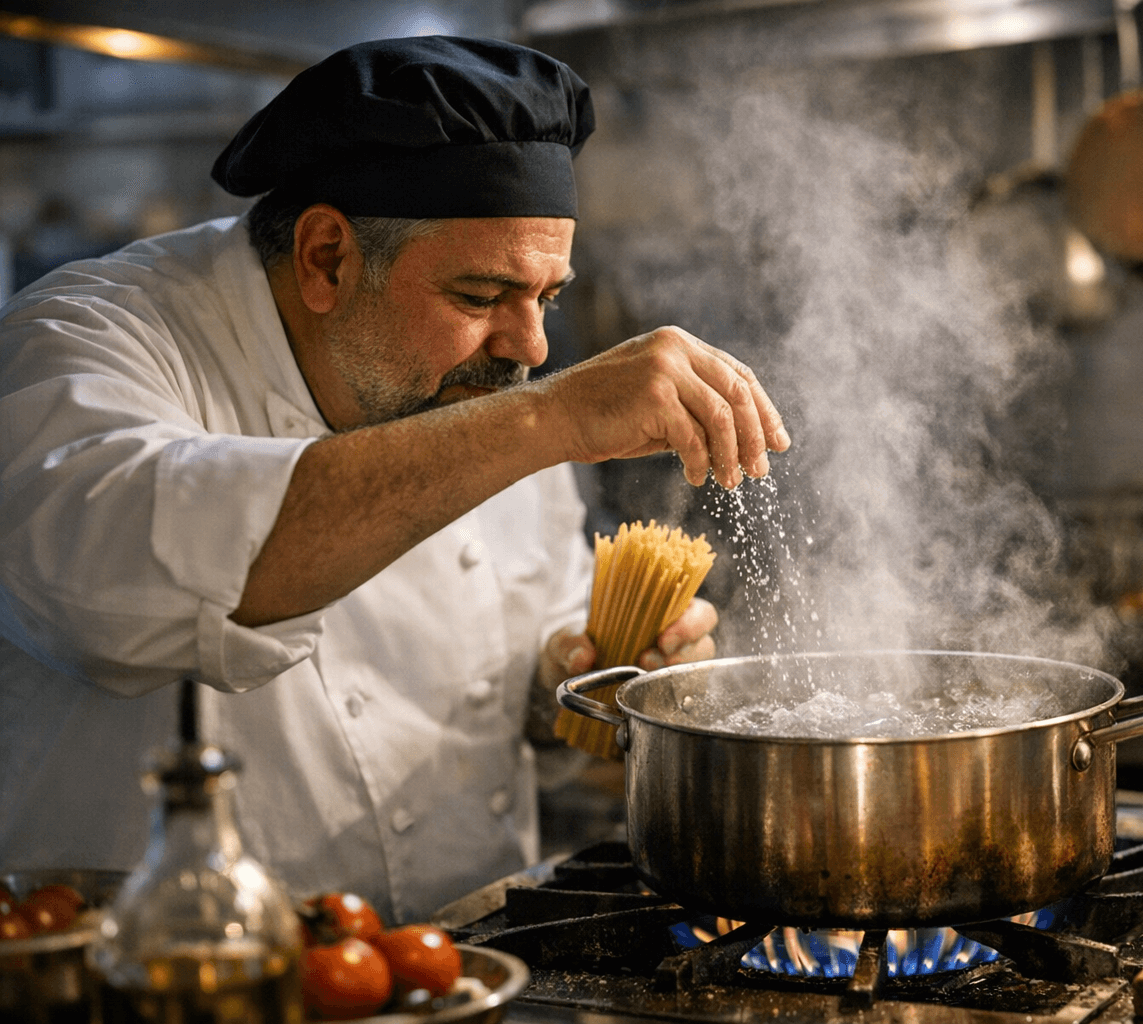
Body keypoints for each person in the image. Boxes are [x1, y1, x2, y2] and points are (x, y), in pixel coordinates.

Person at [0, 37, 789, 924]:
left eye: (548, 299)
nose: (530, 350)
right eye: (482, 295)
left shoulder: (484, 383)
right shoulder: (83, 338)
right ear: (327, 257)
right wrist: (552, 418)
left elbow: (527, 641)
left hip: (469, 967)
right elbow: (111, 583)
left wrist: (582, 677)